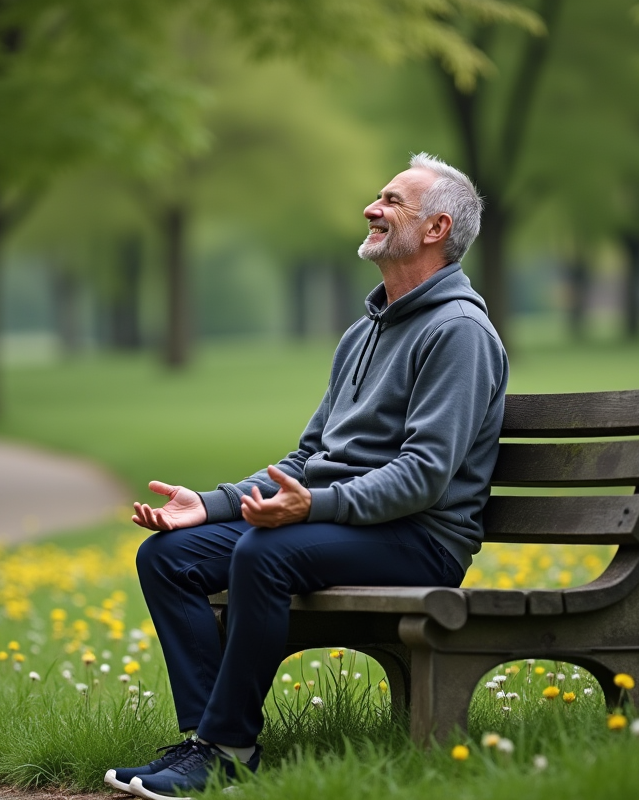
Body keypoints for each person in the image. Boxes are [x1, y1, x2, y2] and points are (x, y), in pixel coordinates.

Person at [105, 152, 508, 800]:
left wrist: (313, 506)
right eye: (378, 197)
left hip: (421, 539)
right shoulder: (363, 334)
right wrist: (210, 506)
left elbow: (424, 477)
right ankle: (205, 744)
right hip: (346, 524)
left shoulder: (459, 332)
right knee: (169, 556)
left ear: (436, 229)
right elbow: (307, 456)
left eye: (392, 202)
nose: (372, 209)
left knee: (268, 553)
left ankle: (228, 749)